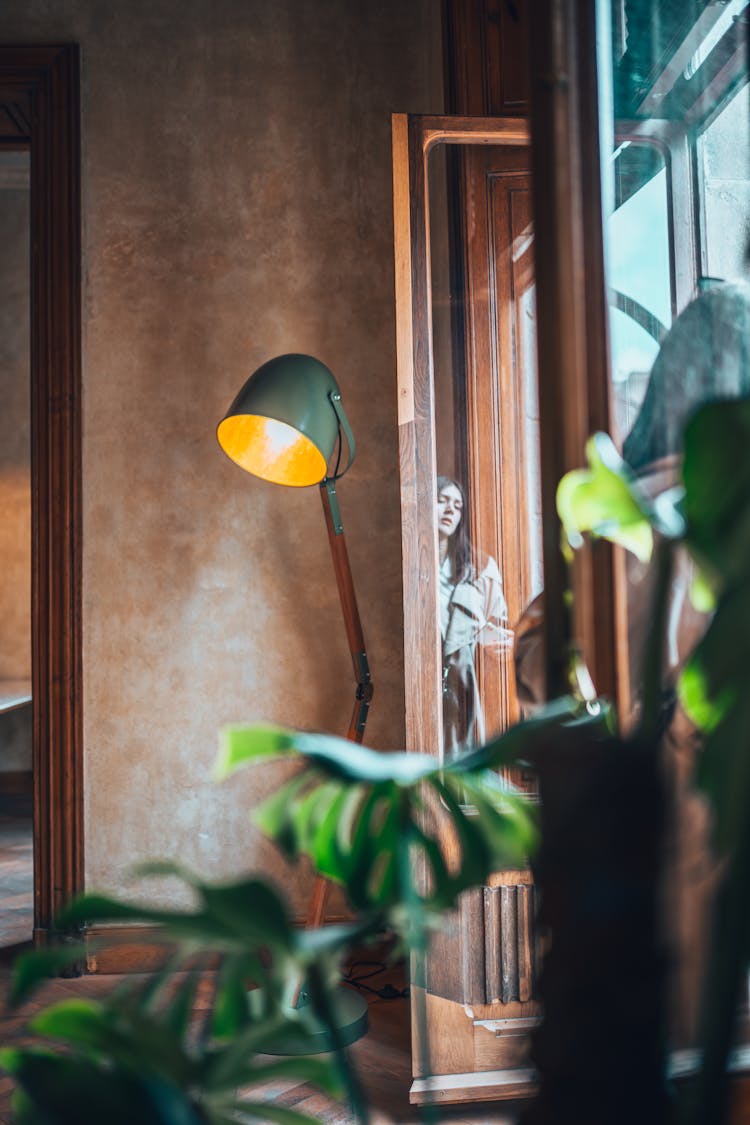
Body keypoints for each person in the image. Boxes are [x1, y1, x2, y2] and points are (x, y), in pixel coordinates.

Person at [437, 475, 514, 759]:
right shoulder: (414, 568)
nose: (449, 511)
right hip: (423, 683)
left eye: (457, 506)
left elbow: (497, 626)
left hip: (463, 685)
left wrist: (497, 642)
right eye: (442, 501)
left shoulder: (479, 568)